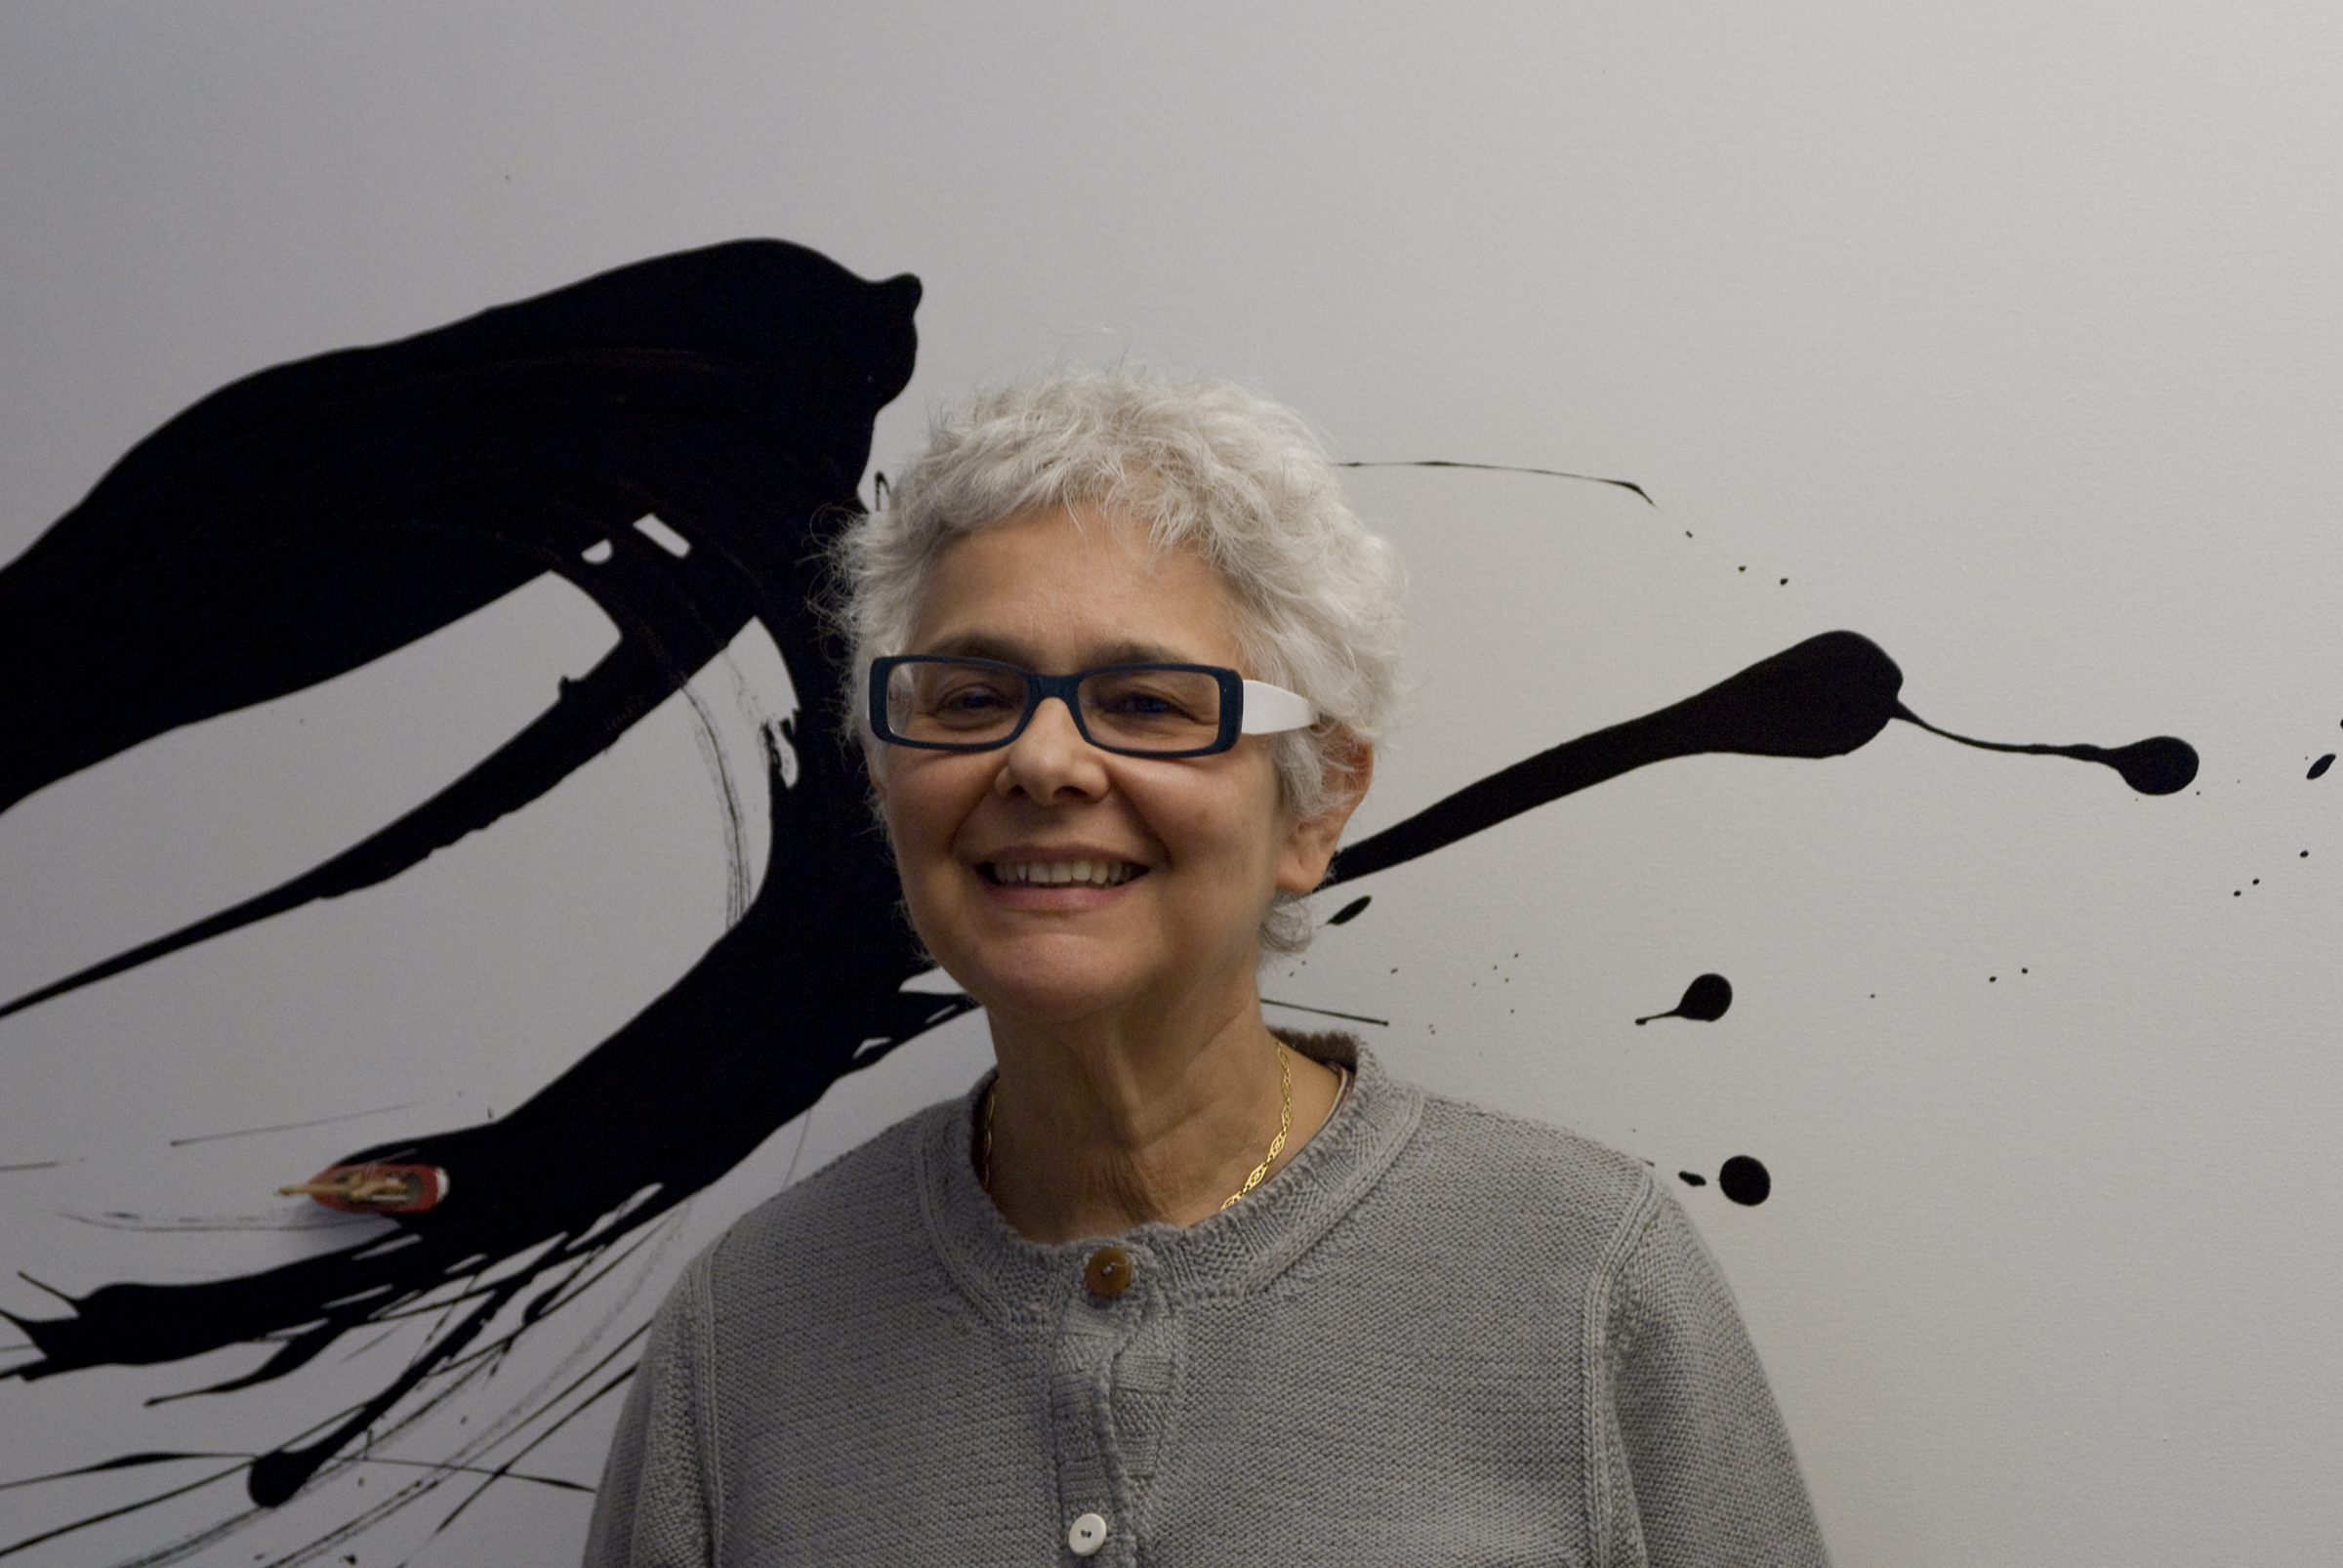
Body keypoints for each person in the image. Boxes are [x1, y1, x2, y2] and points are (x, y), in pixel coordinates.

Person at [584, 366, 1829, 1566]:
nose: (1043, 762)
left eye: (1147, 702)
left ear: (1316, 801)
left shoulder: (1587, 1281)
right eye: (968, 699)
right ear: (884, 776)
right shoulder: (741, 1336)